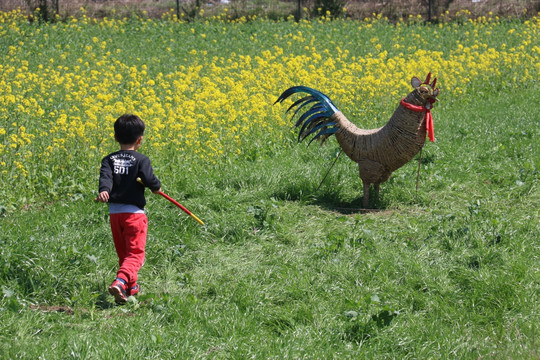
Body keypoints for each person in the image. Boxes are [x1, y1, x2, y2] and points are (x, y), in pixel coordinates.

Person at [95, 114, 161, 304]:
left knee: (124, 254)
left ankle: (131, 288)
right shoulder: (141, 159)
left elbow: (105, 179)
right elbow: (149, 180)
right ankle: (121, 281)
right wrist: (156, 187)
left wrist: (104, 191)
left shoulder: (108, 159)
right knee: (135, 255)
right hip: (134, 215)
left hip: (115, 215)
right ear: (139, 140)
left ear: (115, 137)